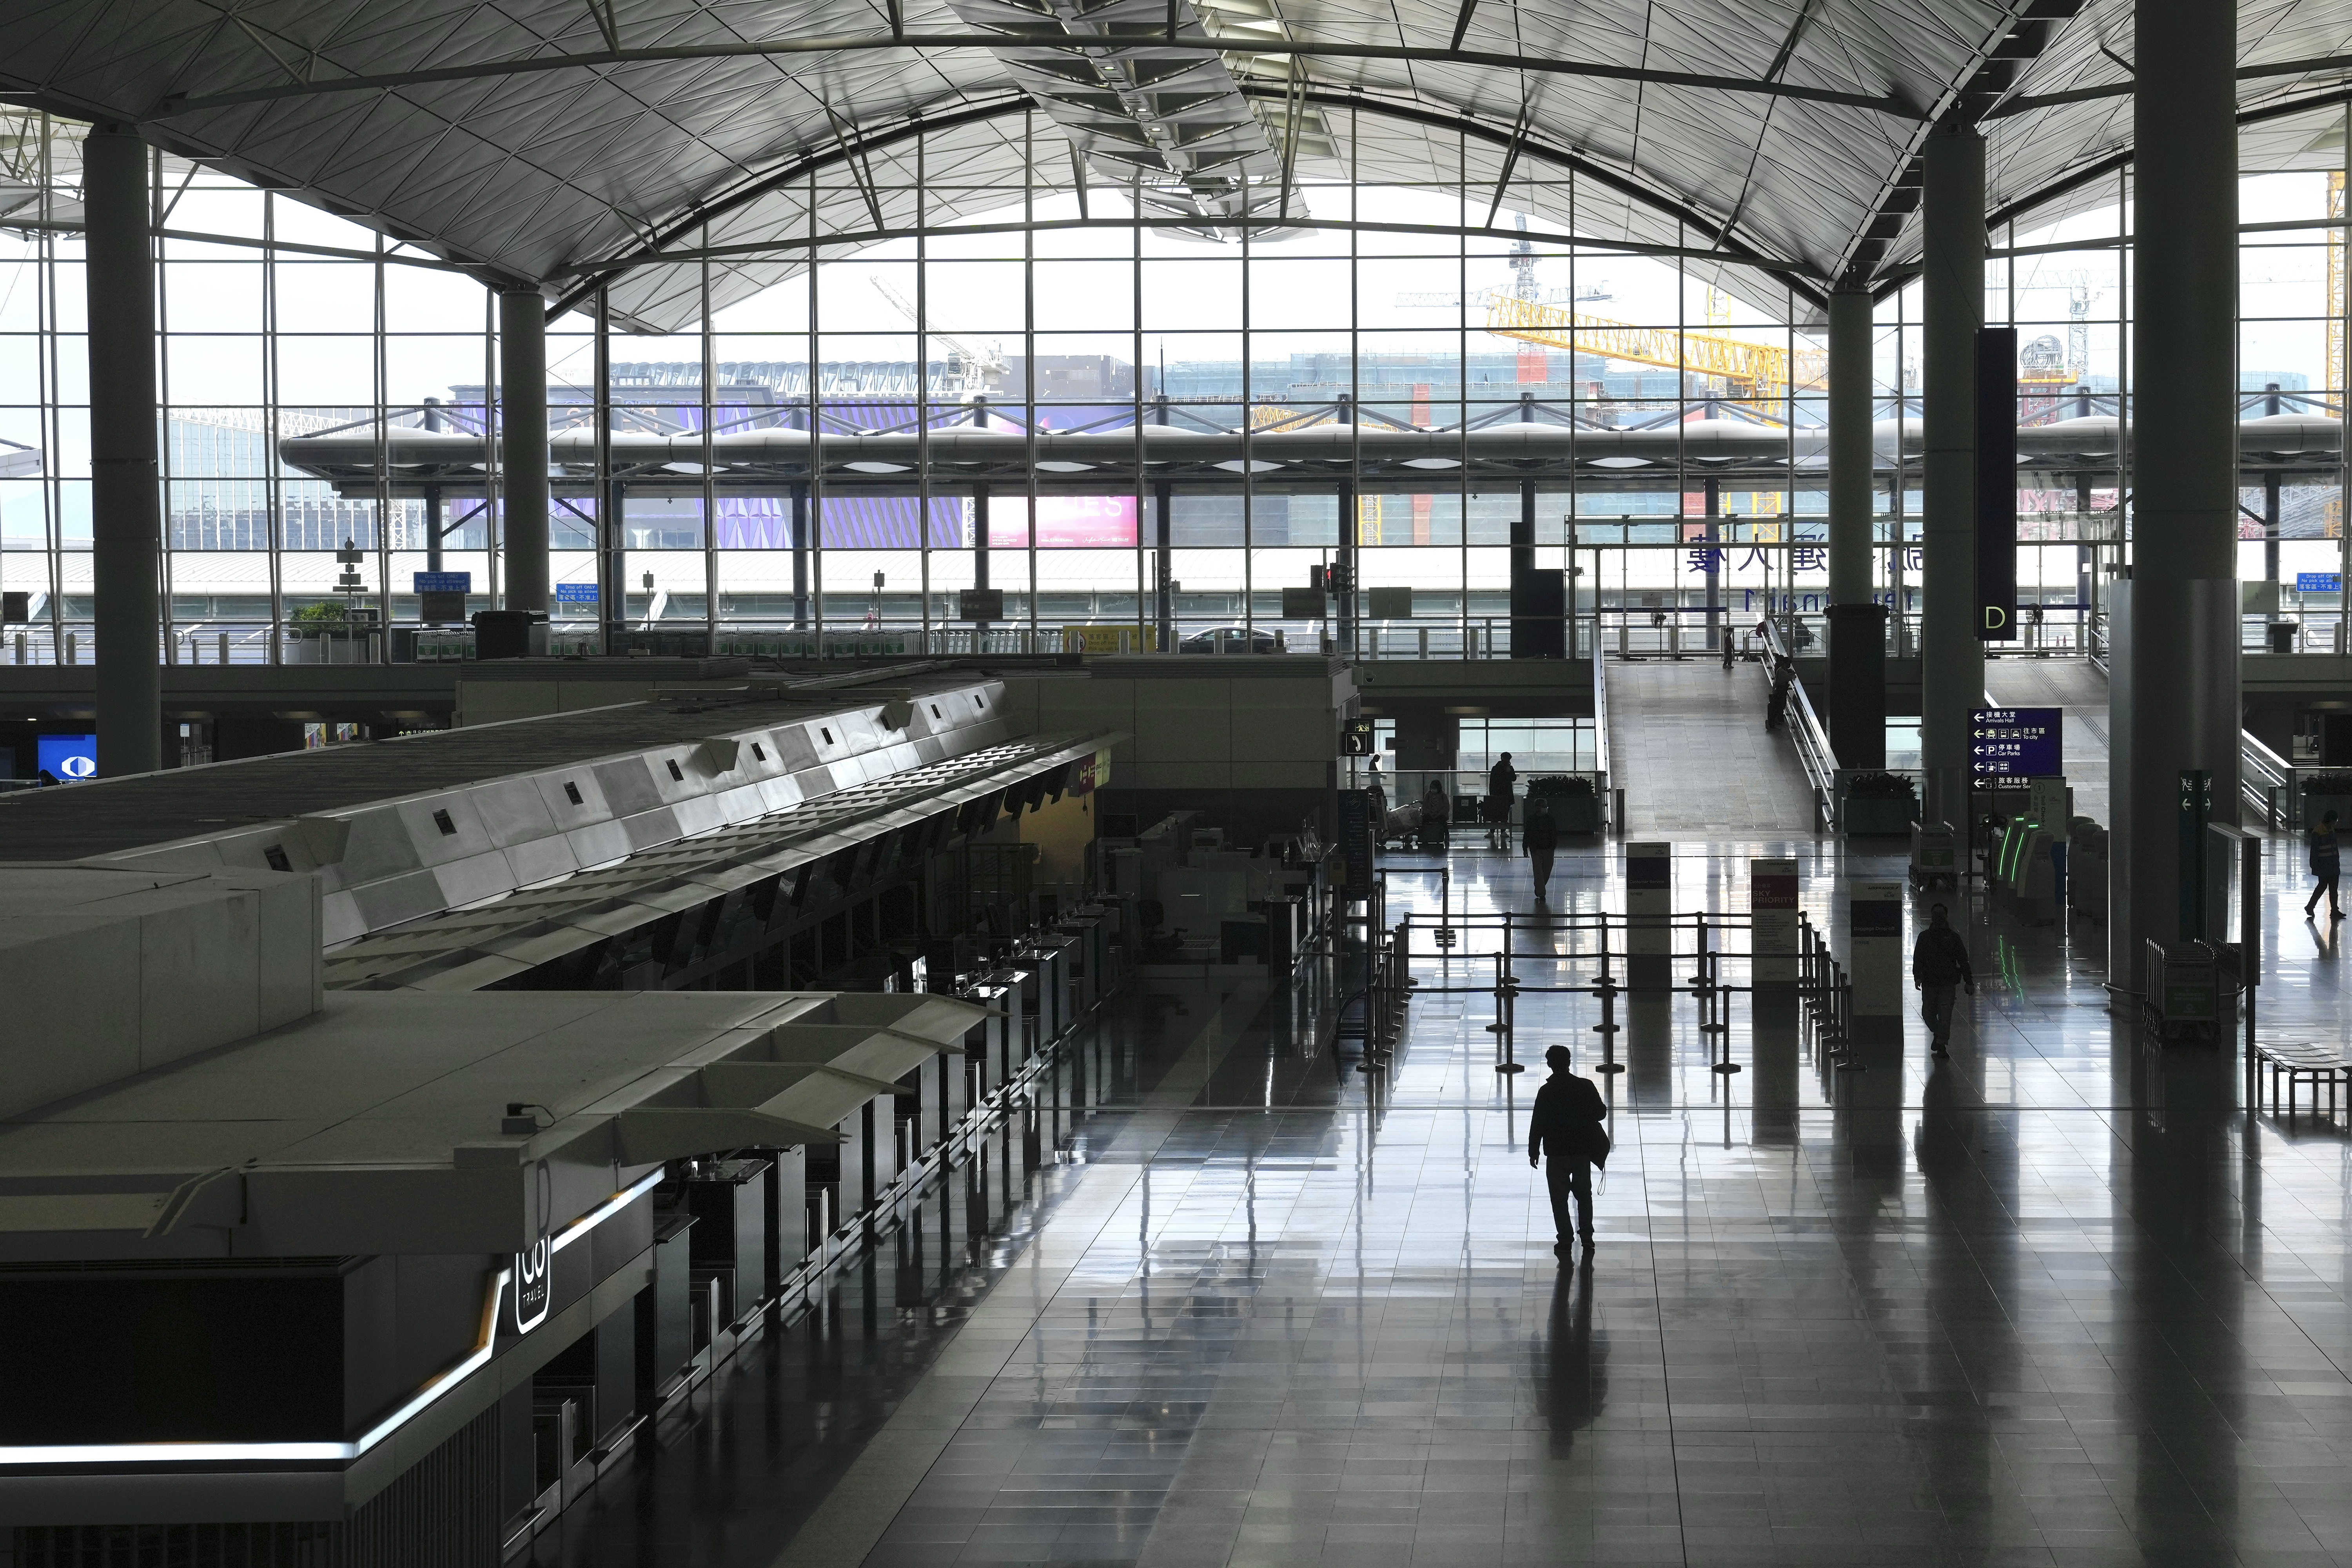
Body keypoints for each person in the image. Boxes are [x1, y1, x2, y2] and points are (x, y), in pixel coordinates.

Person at [1527, 1045, 1609, 1259]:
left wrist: (1533, 1150)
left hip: (1556, 1153)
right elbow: (1601, 1113)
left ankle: (1565, 1238)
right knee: (1584, 1195)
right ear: (1569, 1062)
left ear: (1550, 1064)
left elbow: (1538, 1123)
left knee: (1559, 1198)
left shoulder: (1546, 1092)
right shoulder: (1585, 1086)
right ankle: (1587, 1236)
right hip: (1581, 1151)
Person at [1911, 902, 1975, 1059]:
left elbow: (1963, 960)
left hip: (1948, 983)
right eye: (1936, 915)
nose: (1938, 918)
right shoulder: (1924, 937)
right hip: (1929, 983)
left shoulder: (1953, 938)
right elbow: (1918, 959)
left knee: (1945, 1016)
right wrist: (1917, 976)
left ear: (1946, 917)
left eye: (1941, 915)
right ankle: (1939, 1034)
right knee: (1928, 1015)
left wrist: (1969, 981)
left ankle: (1941, 1045)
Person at [2307, 809, 2343, 922]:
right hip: (2324, 865)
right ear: (2331, 820)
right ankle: (2310, 906)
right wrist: (2314, 865)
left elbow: (2335, 847)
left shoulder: (2331, 830)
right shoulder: (2318, 832)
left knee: (2334, 889)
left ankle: (2334, 910)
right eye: (2336, 821)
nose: (2336, 823)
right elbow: (2314, 851)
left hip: (2333, 865)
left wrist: (2337, 861)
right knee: (2322, 887)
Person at [1524, 801, 1560, 900]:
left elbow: (1554, 834)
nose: (1545, 809)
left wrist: (1553, 846)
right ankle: (1541, 892)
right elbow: (1527, 834)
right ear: (1537, 808)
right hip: (1536, 849)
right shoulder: (1531, 820)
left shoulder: (1550, 820)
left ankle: (1539, 886)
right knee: (1538, 871)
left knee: (1547, 871)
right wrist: (1525, 847)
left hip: (1549, 848)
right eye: (1543, 807)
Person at [1487, 752, 1517, 847]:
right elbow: (1492, 782)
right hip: (1500, 794)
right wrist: (1492, 793)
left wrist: (1509, 771)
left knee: (1503, 813)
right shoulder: (1496, 768)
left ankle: (1501, 831)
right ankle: (1494, 831)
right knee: (1496, 814)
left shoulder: (1509, 768)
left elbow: (1514, 778)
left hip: (1503, 795)